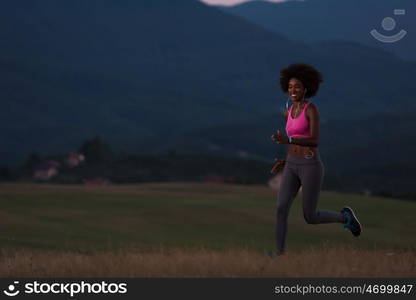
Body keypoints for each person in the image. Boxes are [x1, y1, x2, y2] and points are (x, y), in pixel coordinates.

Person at [270, 63, 362, 256]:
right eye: (290, 87)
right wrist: (286, 161)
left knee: (310, 216)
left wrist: (289, 140)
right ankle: (279, 255)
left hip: (310, 165)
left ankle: (345, 217)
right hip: (291, 165)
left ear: (306, 89)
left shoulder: (311, 110)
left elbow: (314, 140)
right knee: (280, 208)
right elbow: (293, 142)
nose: (293, 90)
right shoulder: (288, 112)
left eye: (297, 87)